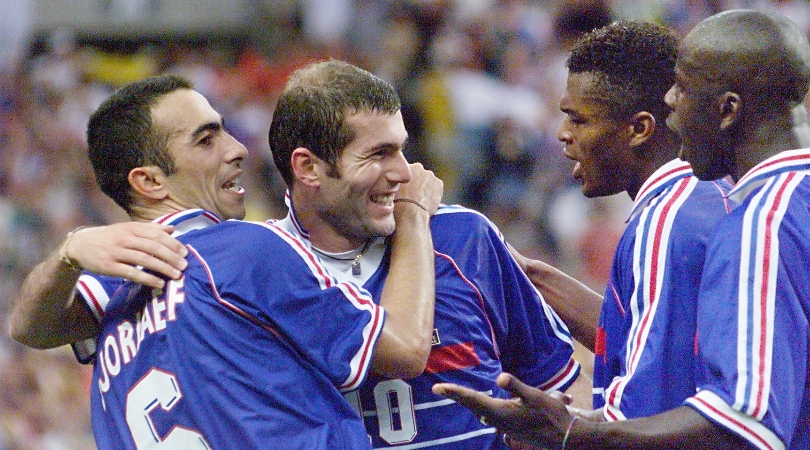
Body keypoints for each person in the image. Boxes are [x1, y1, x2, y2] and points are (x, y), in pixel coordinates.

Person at [434, 9, 810, 449]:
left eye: (683, 90)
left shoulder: (737, 221)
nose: (670, 102)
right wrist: (522, 272)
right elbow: (654, 336)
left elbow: (741, 421)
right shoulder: (760, 202)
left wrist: (573, 433)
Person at [9, 73, 443, 449]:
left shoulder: (120, 286)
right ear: (150, 181)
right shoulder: (242, 249)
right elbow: (404, 350)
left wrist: (69, 253)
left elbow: (28, 328)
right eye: (206, 139)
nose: (237, 148)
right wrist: (414, 217)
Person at [267, 59, 587, 449]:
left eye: (401, 148)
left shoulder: (463, 238)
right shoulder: (257, 268)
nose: (405, 173)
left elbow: (564, 387)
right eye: (378, 154)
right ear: (308, 167)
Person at [509, 20, 733, 421]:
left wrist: (560, 429)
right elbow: (641, 336)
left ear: (639, 129)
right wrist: (528, 275)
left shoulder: (665, 224)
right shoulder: (704, 197)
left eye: (578, 119)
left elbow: (648, 414)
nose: (562, 133)